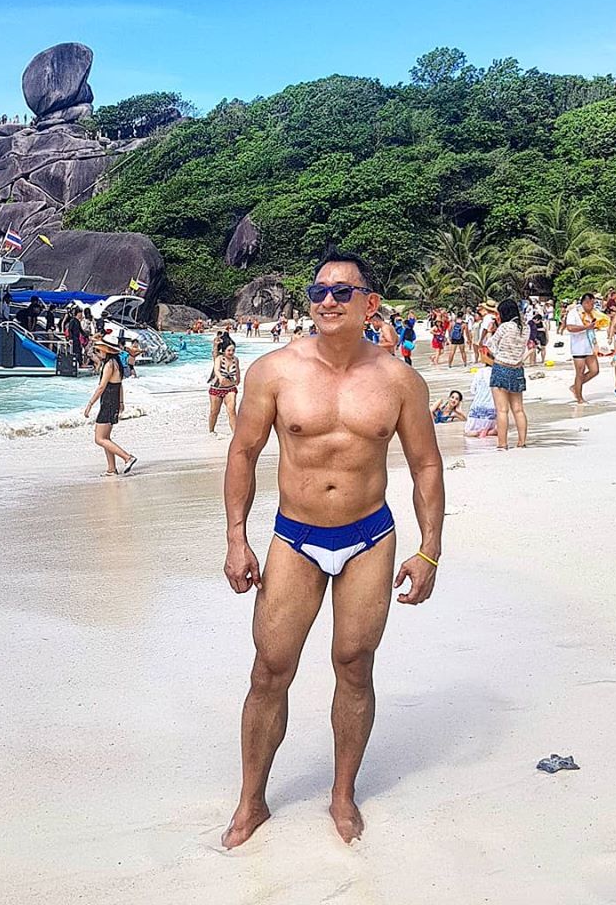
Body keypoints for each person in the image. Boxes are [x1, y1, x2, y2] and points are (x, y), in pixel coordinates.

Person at [221, 247, 444, 848]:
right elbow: (243, 452)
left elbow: (425, 465)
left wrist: (429, 550)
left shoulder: (399, 380)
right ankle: (251, 801)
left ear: (369, 304)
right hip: (295, 537)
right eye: (318, 291)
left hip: (369, 535)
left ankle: (343, 795)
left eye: (342, 292)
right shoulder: (274, 371)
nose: (327, 300)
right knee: (270, 668)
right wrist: (237, 538)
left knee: (354, 664)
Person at [83, 332, 138, 476]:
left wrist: (90, 404)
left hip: (107, 402)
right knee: (106, 438)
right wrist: (121, 402)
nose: (98, 352)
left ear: (106, 350)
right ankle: (111, 469)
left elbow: (101, 387)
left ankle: (127, 457)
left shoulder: (109, 365)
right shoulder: (117, 363)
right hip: (113, 401)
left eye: (99, 349)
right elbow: (120, 385)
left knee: (99, 439)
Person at [486, 298, 530, 449]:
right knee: (518, 409)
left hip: (501, 367)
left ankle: (502, 444)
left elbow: (490, 345)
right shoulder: (525, 328)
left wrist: (490, 332)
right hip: (517, 368)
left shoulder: (504, 327)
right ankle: (522, 442)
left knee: (502, 410)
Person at [565, 293, 600, 403]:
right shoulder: (574, 313)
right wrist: (586, 327)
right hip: (578, 346)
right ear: (585, 302)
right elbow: (570, 327)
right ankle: (579, 397)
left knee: (595, 370)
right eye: (591, 304)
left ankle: (575, 387)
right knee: (580, 372)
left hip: (590, 345)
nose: (592, 306)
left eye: (593, 304)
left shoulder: (592, 313)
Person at [209, 341, 241, 434]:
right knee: (214, 411)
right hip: (216, 389)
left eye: (233, 350)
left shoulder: (235, 359)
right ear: (224, 351)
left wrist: (238, 379)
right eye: (229, 350)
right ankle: (211, 431)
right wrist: (220, 377)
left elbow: (237, 371)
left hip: (230, 388)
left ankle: (235, 433)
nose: (231, 352)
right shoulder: (219, 358)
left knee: (232, 411)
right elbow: (216, 370)